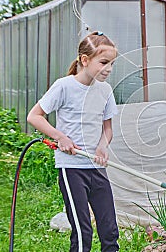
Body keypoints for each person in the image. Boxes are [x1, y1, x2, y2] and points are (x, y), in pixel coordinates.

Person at [27, 31, 119, 252]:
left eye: (112, 64)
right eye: (104, 62)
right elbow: (34, 116)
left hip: (96, 167)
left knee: (109, 230)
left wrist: (102, 146)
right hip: (72, 168)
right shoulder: (64, 86)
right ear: (85, 60)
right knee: (82, 230)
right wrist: (60, 137)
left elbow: (108, 129)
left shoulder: (105, 90)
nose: (108, 69)